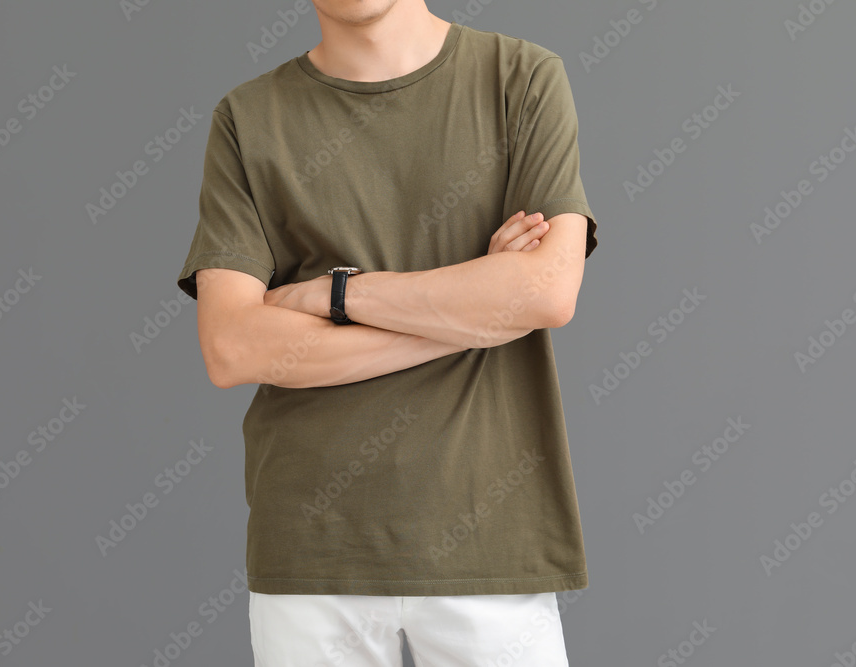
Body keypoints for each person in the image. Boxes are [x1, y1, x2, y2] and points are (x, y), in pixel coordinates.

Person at [175, 1, 599, 664]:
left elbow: (546, 291)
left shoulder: (521, 79)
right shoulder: (247, 117)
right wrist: (474, 313)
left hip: (490, 546)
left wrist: (336, 294)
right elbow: (231, 348)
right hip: (312, 554)